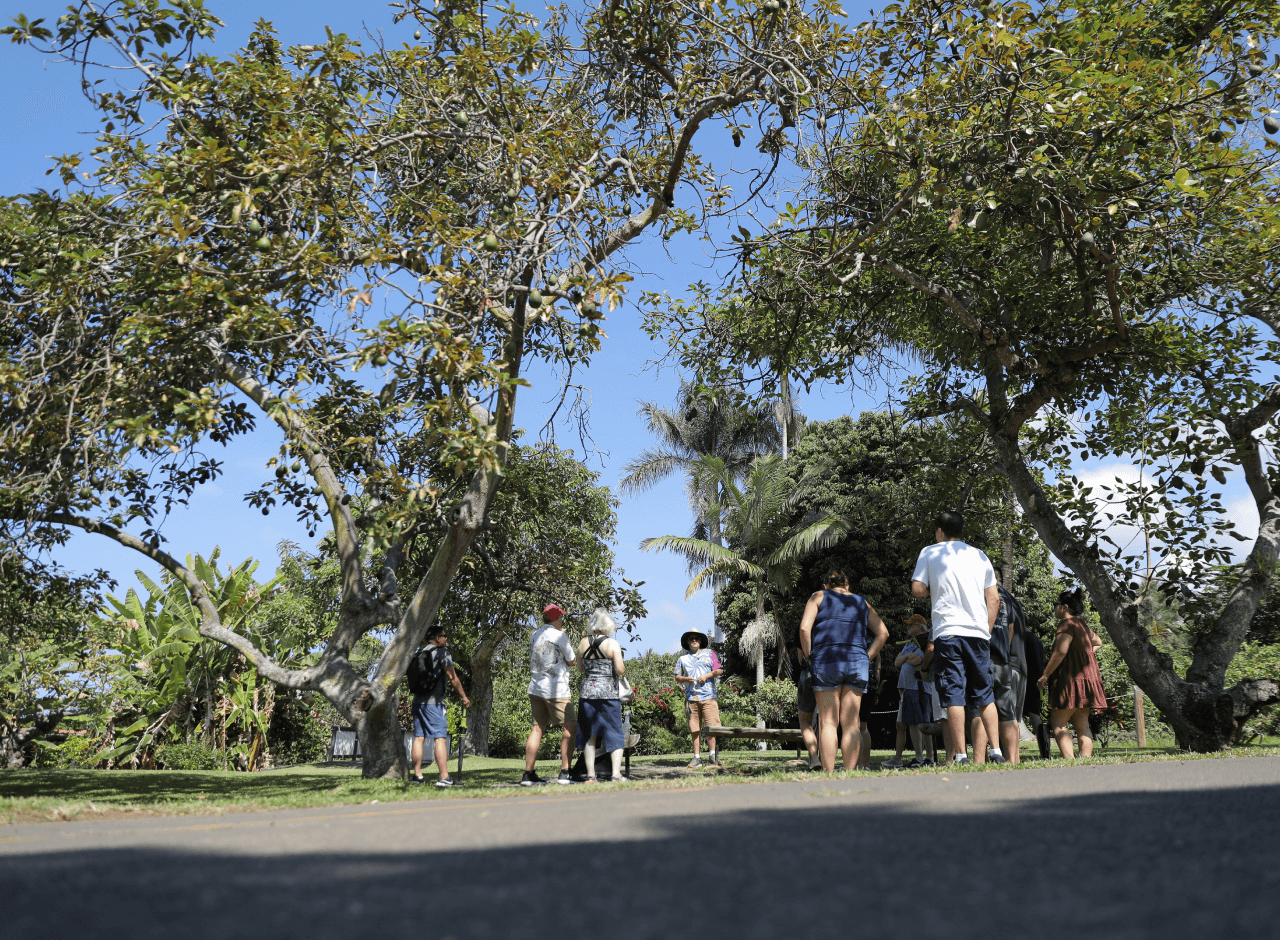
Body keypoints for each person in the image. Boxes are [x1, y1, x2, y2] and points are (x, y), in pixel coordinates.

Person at [911, 511, 1003, 765]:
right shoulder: (979, 555)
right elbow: (993, 599)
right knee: (985, 695)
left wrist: (937, 586)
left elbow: (917, 588)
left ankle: (961, 755)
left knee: (953, 695)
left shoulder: (930, 552)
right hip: (977, 633)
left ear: (940, 531)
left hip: (948, 631)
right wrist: (986, 630)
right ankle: (996, 751)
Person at [799, 568, 889, 772]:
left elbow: (805, 628)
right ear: (846, 585)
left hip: (826, 660)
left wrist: (809, 655)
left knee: (828, 722)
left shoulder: (818, 597)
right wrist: (867, 656)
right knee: (851, 723)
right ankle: (849, 773)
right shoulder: (861, 601)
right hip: (856, 662)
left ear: (825, 585)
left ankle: (829, 774)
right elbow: (883, 633)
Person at [1038, 588, 1108, 759]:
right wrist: (1084, 655)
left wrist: (1045, 675)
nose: (1054, 608)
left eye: (1056, 605)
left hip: (1070, 680)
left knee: (1058, 723)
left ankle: (1070, 761)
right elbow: (1097, 641)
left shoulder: (1066, 624)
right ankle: (1085, 761)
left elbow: (1060, 651)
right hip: (1087, 680)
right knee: (1082, 724)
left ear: (1065, 607)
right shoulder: (1081, 624)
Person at [971, 583, 1029, 763]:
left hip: (982, 658)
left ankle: (978, 761)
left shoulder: (976, 591)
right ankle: (1013, 760)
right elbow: (1011, 628)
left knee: (979, 710)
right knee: (1007, 712)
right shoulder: (1008, 598)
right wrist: (1003, 651)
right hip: (1003, 661)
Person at [521, 603, 578, 786]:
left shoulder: (535, 635)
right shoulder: (560, 635)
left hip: (536, 687)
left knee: (537, 728)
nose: (562, 621)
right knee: (569, 727)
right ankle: (565, 772)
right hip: (556, 689)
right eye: (560, 618)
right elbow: (572, 661)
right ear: (555, 619)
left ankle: (528, 774)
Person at [408, 625, 471, 787]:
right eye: (444, 635)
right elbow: (453, 677)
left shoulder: (420, 653)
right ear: (437, 638)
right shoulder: (442, 653)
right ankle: (444, 777)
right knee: (440, 738)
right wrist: (464, 697)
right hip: (434, 704)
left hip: (417, 702)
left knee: (419, 738)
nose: (446, 638)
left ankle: (418, 776)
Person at [576, 609, 627, 783]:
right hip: (608, 695)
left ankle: (590, 775)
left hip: (587, 693)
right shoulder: (612, 644)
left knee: (590, 735)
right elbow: (620, 670)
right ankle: (616, 774)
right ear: (608, 625)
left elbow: (580, 669)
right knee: (614, 733)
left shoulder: (583, 643)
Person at [884, 614, 929, 769]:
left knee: (915, 723)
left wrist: (906, 657)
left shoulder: (924, 641)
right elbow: (897, 662)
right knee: (902, 724)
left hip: (916, 687)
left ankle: (919, 758)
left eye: (911, 625)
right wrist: (907, 656)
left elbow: (916, 660)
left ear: (919, 626)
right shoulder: (909, 643)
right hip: (905, 688)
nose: (908, 628)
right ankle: (898, 758)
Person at [675, 629, 722, 768]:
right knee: (694, 729)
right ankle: (697, 758)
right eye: (691, 639)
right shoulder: (682, 659)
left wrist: (707, 676)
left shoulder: (710, 654)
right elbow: (677, 677)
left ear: (700, 641)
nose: (694, 640)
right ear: (687, 642)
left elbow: (719, 670)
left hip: (709, 697)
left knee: (711, 727)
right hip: (691, 698)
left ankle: (712, 756)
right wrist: (685, 679)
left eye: (696, 638)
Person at [795, 649, 820, 770]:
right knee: (828, 723)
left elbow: (800, 657)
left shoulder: (803, 629)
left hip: (808, 672)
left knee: (806, 722)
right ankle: (827, 763)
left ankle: (815, 760)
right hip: (830, 672)